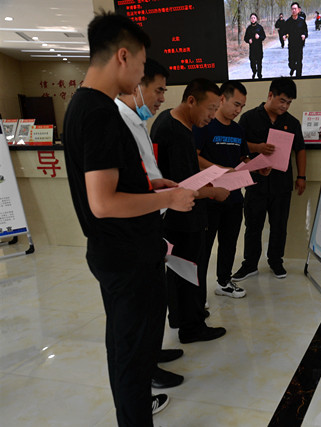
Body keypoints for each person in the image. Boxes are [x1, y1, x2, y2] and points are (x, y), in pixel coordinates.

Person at [63, 12, 197, 426]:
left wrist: (150, 186)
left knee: (126, 348)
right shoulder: (100, 113)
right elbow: (103, 202)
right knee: (133, 357)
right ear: (123, 56)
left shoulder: (84, 105)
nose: (141, 76)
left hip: (116, 251)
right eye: (141, 65)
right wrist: (170, 198)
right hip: (126, 255)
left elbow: (109, 183)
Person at [115, 58, 185, 390]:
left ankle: (153, 353)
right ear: (136, 86)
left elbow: (142, 172)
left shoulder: (137, 120)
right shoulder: (117, 121)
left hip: (153, 217)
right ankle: (147, 370)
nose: (161, 98)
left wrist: (158, 185)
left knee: (156, 300)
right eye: (158, 90)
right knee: (141, 308)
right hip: (135, 227)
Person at [151, 79, 230, 344]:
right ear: (191, 100)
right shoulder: (173, 131)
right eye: (210, 109)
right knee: (188, 270)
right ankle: (192, 327)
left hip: (179, 214)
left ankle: (181, 317)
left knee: (180, 270)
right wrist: (213, 192)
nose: (212, 116)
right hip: (181, 216)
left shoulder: (174, 122)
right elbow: (181, 187)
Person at [232, 77, 306, 282]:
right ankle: (249, 264)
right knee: (253, 226)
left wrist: (301, 176)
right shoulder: (249, 118)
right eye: (282, 100)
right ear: (270, 95)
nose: (285, 106)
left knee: (279, 226)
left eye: (289, 102)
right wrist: (258, 148)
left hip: (282, 184)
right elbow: (239, 145)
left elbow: (300, 149)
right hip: (255, 182)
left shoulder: (292, 122)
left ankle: (276, 261)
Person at [193, 81, 252, 299]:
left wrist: (255, 165)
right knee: (204, 247)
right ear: (222, 99)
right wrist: (219, 169)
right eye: (236, 104)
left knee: (229, 243)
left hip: (234, 197)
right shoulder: (205, 125)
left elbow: (243, 157)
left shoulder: (238, 130)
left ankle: (224, 282)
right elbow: (194, 157)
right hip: (209, 197)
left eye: (242, 106)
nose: (238, 110)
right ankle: (198, 294)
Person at [284, 2, 308, 77]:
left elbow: (305, 31)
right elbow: (285, 32)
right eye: (292, 9)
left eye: (295, 9)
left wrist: (304, 35)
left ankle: (298, 77)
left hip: (299, 44)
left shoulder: (302, 21)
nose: (293, 10)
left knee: (299, 61)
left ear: (299, 10)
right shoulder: (288, 22)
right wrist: (285, 36)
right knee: (291, 63)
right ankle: (293, 68)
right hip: (291, 45)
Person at [244, 13, 266, 79]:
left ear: (256, 19)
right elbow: (245, 38)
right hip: (252, 48)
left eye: (254, 18)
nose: (253, 19)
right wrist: (248, 40)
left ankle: (259, 75)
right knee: (252, 62)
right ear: (250, 19)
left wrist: (259, 37)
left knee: (259, 62)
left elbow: (264, 36)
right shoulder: (249, 28)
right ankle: (254, 71)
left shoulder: (260, 27)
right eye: (251, 18)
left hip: (259, 48)